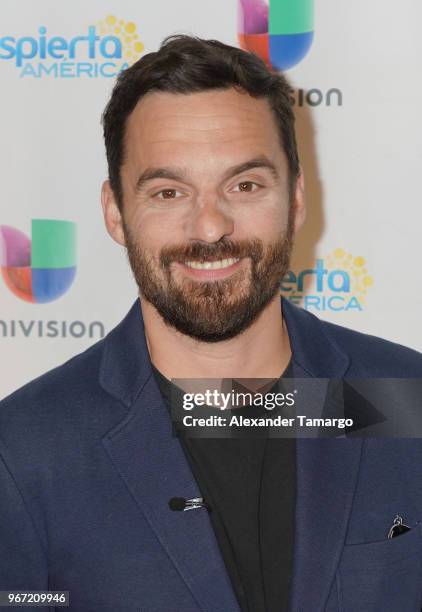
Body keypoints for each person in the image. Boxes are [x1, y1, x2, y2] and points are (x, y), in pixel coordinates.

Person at [0, 35, 421, 612]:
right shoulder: (24, 451)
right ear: (115, 213)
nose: (210, 228)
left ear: (296, 199)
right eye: (169, 192)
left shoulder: (407, 401)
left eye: (244, 185)